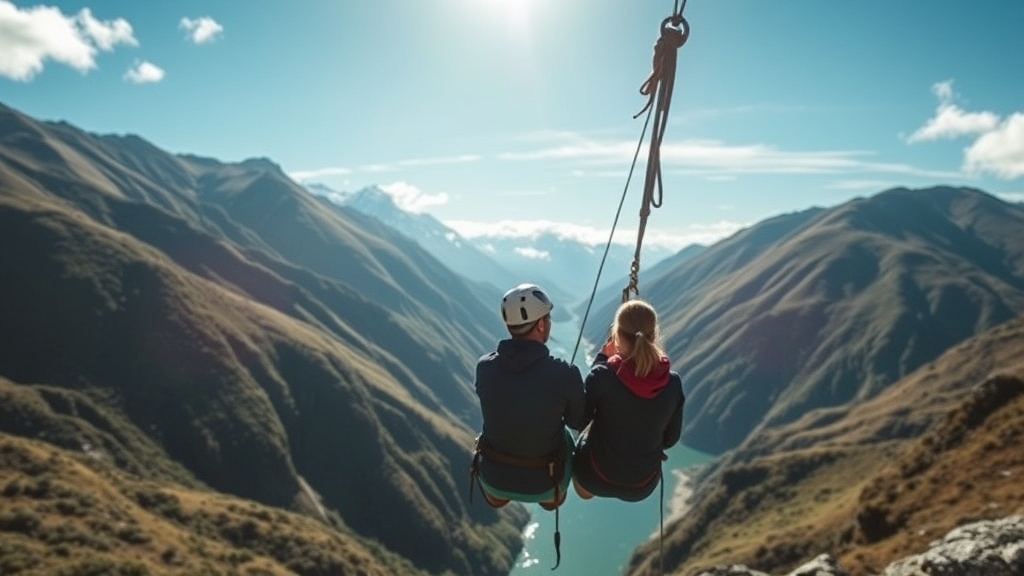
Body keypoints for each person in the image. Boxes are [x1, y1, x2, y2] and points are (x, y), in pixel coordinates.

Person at [472, 283, 586, 510]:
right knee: (564, 437)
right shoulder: (565, 374)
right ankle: (547, 499)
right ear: (541, 325)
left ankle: (500, 495)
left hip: (494, 477)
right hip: (546, 482)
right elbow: (578, 422)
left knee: (497, 494)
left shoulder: (484, 367)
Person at [572, 299, 684, 502]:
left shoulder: (603, 376)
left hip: (594, 477)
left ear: (616, 336)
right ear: (654, 335)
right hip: (641, 486)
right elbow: (670, 439)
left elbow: (580, 421)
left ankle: (588, 489)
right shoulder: (673, 383)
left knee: (584, 488)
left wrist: (601, 361)